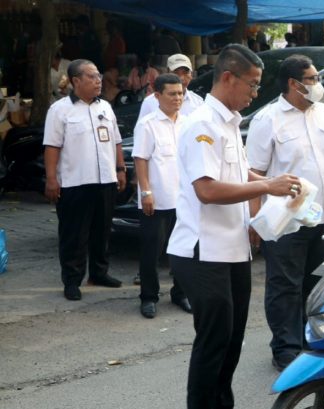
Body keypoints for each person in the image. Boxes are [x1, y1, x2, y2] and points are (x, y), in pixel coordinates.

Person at [166, 44, 299, 409]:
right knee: (213, 343)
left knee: (230, 342)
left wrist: (270, 189)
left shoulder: (229, 123)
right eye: (252, 84)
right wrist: (267, 185)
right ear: (228, 77)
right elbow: (207, 190)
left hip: (232, 247)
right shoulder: (201, 125)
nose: (255, 93)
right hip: (201, 252)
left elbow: (237, 175)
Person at [247, 54, 324, 372]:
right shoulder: (268, 119)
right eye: (313, 79)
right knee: (285, 285)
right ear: (293, 83)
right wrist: (254, 220)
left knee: (317, 284)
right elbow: (254, 173)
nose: (318, 84)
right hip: (286, 220)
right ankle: (286, 348)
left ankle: (310, 340)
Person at [43, 59, 126, 301]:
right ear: (76, 81)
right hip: (75, 182)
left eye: (98, 75)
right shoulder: (60, 110)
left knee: (102, 230)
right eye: (92, 76)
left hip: (106, 180)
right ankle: (72, 280)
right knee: (74, 235)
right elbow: (52, 146)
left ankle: (99, 273)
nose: (98, 80)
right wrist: (51, 179)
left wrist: (120, 169)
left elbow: (116, 140)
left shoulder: (106, 107)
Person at [133, 73, 192, 319]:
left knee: (183, 249)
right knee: (151, 250)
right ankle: (148, 296)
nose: (178, 98)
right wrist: (146, 191)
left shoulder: (188, 122)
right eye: (172, 94)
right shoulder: (147, 124)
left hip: (184, 199)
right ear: (157, 96)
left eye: (180, 93)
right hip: (156, 199)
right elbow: (140, 159)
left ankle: (181, 293)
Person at [137, 54, 204, 121]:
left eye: (185, 72)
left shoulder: (198, 103)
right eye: (176, 73)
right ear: (166, 73)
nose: (181, 78)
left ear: (191, 75)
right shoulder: (150, 102)